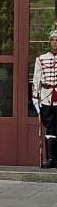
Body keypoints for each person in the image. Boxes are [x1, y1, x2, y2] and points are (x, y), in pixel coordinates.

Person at [32, 30, 57, 168]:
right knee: (50, 128)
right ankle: (51, 159)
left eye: (56, 40)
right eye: (52, 40)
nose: (55, 42)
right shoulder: (41, 59)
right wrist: (35, 99)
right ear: (49, 42)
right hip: (46, 97)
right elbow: (36, 81)